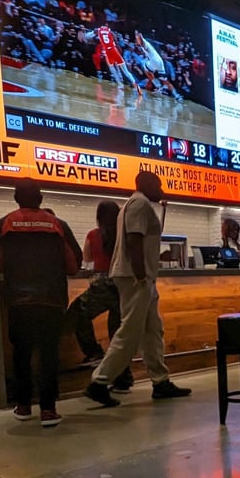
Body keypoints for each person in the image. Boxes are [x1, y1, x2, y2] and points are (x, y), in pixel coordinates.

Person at [84, 171, 191, 406]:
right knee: (130, 332)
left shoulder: (134, 205)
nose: (161, 189)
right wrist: (141, 275)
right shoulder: (140, 204)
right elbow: (134, 239)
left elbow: (139, 242)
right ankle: (99, 382)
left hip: (140, 277)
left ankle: (160, 380)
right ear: (146, 185)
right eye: (158, 185)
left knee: (153, 329)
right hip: (135, 278)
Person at [0, 178, 81, 427]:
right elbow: (73, 265)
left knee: (21, 354)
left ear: (16, 198)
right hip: (52, 301)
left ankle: (23, 405)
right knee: (49, 354)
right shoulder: (58, 225)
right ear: (40, 198)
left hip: (19, 302)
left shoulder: (3, 225)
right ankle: (48, 410)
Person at [68, 200, 132, 390]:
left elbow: (86, 258)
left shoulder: (93, 235)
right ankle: (123, 379)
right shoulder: (125, 235)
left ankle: (94, 352)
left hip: (101, 287)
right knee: (117, 334)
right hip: (122, 286)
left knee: (77, 312)